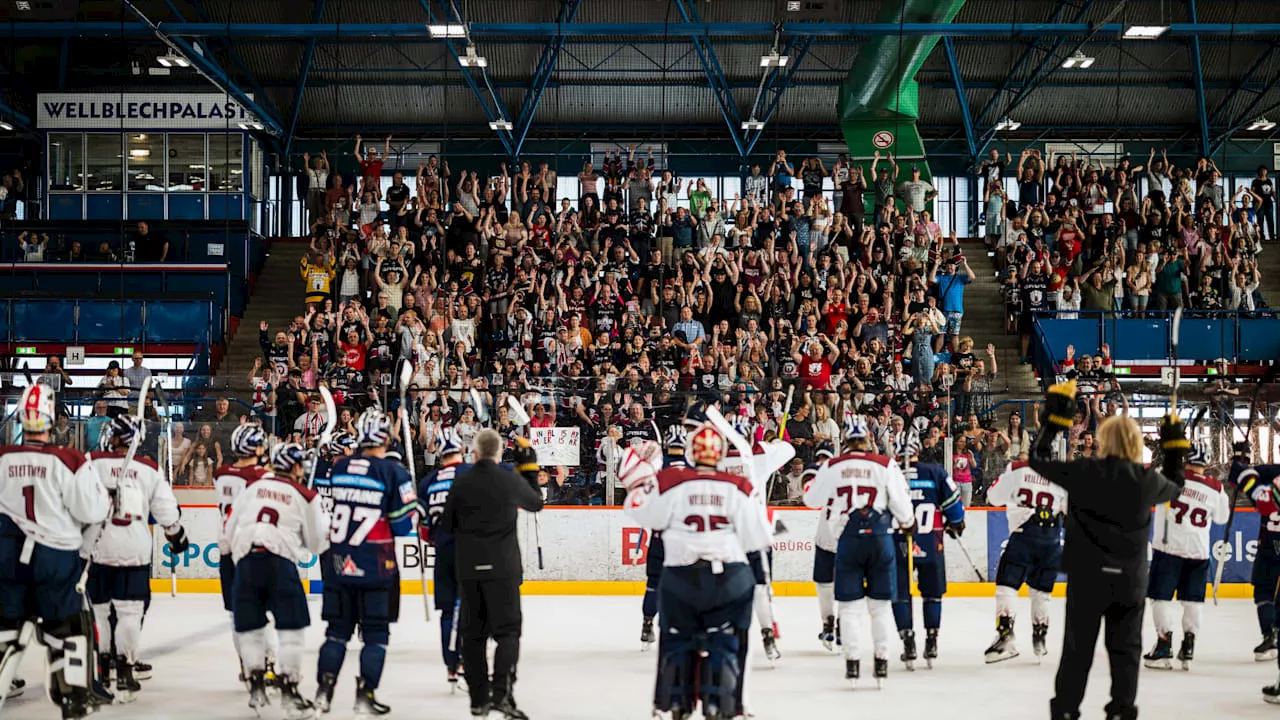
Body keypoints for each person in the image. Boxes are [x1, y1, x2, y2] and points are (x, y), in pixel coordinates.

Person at [1028, 379, 1186, 720]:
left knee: (1077, 651)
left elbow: (1038, 460)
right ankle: (1121, 711)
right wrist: (1174, 449)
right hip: (1129, 581)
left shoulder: (1085, 472)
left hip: (1087, 578)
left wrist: (1054, 423)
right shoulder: (1147, 482)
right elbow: (1175, 486)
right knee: (1126, 651)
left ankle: (1067, 711)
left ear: (1103, 440)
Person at [619, 422, 772, 720]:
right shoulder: (738, 486)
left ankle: (673, 700)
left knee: (676, 638)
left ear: (691, 452)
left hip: (680, 580)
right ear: (720, 455)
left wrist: (639, 484)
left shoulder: (670, 481)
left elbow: (639, 511)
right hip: (726, 579)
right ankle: (729, 702)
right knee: (732, 638)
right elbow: (758, 539)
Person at [0, 383, 110, 720]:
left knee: (5, 630)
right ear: (52, 418)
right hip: (55, 558)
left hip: (7, 557)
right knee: (68, 629)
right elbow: (92, 511)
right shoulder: (70, 460)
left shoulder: (2, 459)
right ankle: (73, 700)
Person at [314, 409, 417, 716]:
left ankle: (324, 691)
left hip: (338, 561)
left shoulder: (341, 466)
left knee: (336, 633)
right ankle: (365, 694)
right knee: (375, 634)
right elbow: (402, 525)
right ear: (385, 437)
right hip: (376, 567)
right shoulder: (392, 472)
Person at [803, 417, 915, 686]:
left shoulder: (832, 465)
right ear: (867, 439)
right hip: (879, 537)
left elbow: (810, 499)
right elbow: (903, 507)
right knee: (879, 607)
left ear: (846, 440)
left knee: (850, 608)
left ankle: (852, 663)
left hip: (846, 539)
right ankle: (881, 659)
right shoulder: (885, 464)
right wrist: (908, 525)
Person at [439, 429, 542, 718]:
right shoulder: (509, 479)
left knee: (473, 636)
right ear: (498, 453)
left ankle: (478, 699)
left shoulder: (461, 483)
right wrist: (529, 467)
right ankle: (501, 694)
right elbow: (535, 502)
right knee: (508, 633)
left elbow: (446, 527)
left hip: (469, 569)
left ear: (475, 452)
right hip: (503, 569)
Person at [84, 414, 188, 701]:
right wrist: (177, 536)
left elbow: (75, 503)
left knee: (101, 612)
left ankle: (103, 665)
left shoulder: (91, 462)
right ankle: (127, 668)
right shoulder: (149, 469)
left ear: (117, 438)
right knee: (130, 612)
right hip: (134, 549)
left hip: (97, 548)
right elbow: (168, 512)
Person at [225, 442, 329, 718]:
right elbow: (318, 544)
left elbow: (229, 530)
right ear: (294, 466)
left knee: (251, 629)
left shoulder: (252, 488)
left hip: (246, 561)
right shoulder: (306, 495)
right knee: (291, 632)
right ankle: (290, 692)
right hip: (280, 562)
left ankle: (256, 686)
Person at [1142, 439, 1229, 670]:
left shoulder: (1168, 475)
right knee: (1192, 600)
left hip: (1168, 548)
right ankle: (1189, 645)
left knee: (1160, 598)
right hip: (1197, 552)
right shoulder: (1216, 488)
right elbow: (1221, 518)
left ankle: (1163, 645)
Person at [983, 448, 1069, 663]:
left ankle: (1005, 636)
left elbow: (993, 498)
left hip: (1023, 535)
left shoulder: (1017, 469)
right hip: (1051, 539)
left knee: (1007, 586)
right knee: (1041, 592)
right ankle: (1040, 637)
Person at [891, 435, 965, 670]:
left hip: (896, 544)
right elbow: (955, 507)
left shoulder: (888, 474)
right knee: (932, 594)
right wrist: (956, 524)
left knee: (900, 594)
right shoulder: (935, 472)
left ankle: (908, 642)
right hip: (931, 543)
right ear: (918, 451)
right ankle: (931, 641)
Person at [213, 424, 271, 684]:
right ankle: (265, 662)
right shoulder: (261, 476)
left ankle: (247, 664)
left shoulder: (221, 474)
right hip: (253, 550)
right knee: (261, 610)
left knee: (237, 613)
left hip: (227, 550)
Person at [417, 428, 471, 687]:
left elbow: (422, 527)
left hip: (443, 550)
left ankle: (451, 663)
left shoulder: (428, 482)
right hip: (471, 549)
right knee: (472, 606)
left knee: (448, 610)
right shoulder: (471, 473)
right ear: (461, 449)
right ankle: (468, 658)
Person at [640, 423, 689, 649]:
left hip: (660, 537)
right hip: (685, 538)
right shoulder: (693, 470)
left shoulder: (657, 469)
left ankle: (647, 624)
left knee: (654, 583)